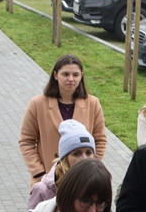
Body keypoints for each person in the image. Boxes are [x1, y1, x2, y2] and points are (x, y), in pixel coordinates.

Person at [19, 54, 107, 185]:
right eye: (65, 74)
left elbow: (100, 140)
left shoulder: (93, 103)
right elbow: (26, 141)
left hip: (82, 180)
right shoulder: (37, 104)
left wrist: (92, 166)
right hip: (47, 180)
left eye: (75, 75)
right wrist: (38, 172)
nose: (71, 79)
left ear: (81, 76)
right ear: (55, 75)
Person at [27, 119, 97, 210]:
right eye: (76, 153)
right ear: (65, 158)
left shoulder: (99, 182)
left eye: (88, 153)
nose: (84, 158)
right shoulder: (42, 190)